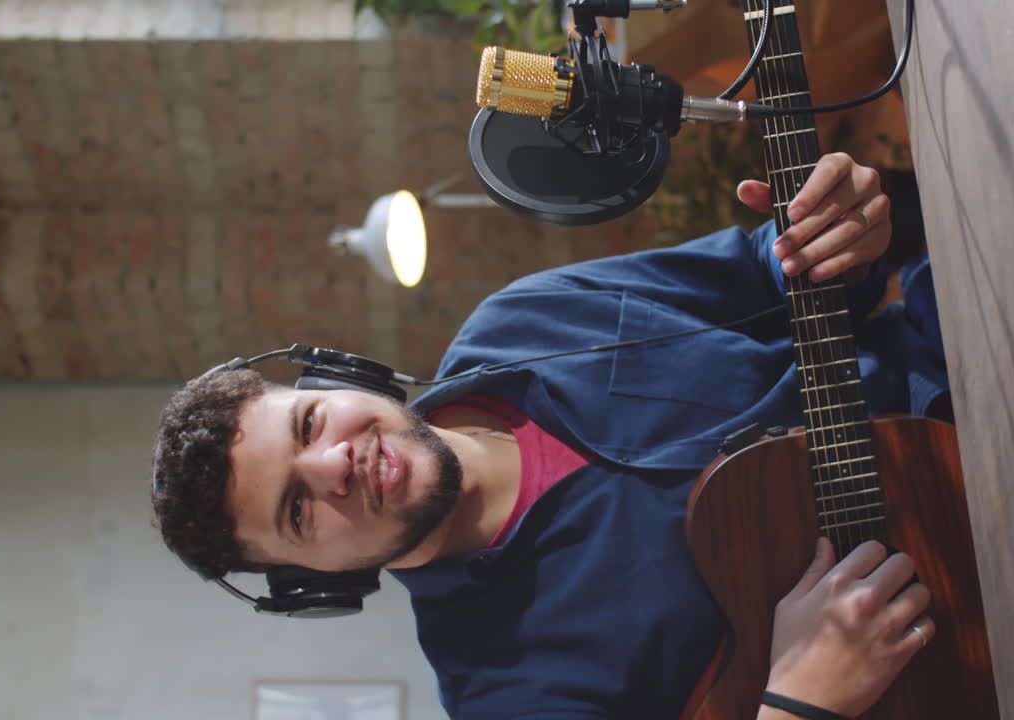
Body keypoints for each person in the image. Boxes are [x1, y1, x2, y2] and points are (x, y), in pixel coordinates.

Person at [151, 153, 947, 720]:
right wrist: (802, 702)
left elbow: (772, 272)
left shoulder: (521, 320)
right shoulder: (504, 695)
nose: (335, 464)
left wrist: (842, 229)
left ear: (336, 381)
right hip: (972, 611)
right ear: (314, 587)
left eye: (309, 424)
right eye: (297, 510)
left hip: (961, 364)